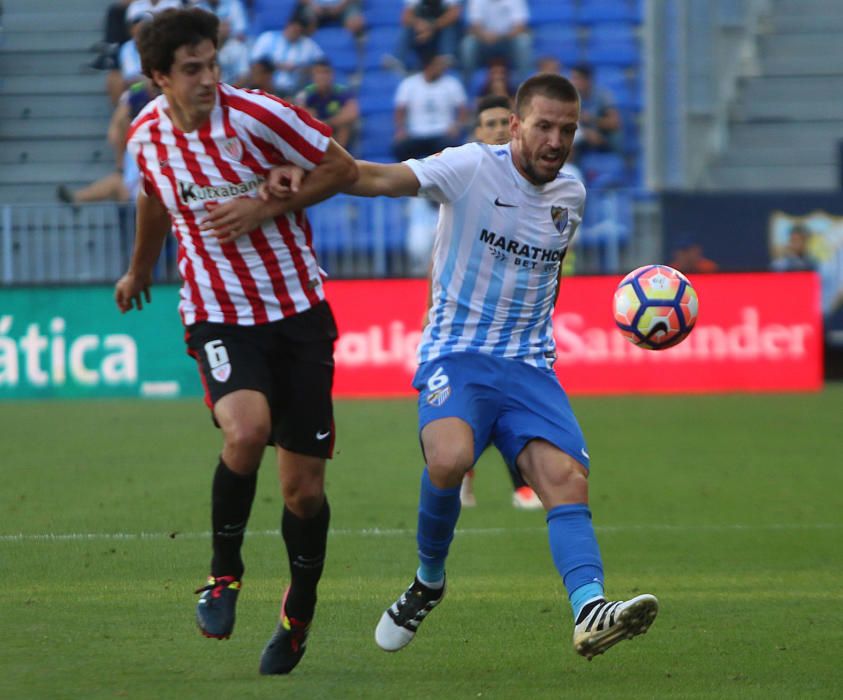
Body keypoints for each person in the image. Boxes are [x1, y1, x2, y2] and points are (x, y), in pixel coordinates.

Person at [263, 73, 659, 660]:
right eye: (545, 126)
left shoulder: (571, 195)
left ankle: (589, 608)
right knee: (449, 459)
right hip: (457, 353)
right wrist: (312, 155)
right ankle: (428, 580)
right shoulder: (471, 166)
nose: (557, 140)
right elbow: (375, 176)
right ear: (516, 124)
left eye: (568, 130)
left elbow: (542, 281)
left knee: (567, 481)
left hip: (528, 365)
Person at [113, 7, 358, 676]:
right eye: (192, 70)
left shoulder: (257, 116)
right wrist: (139, 268)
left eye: (213, 64)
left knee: (303, 492)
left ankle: (297, 614)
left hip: (298, 315)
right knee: (245, 431)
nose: (208, 79)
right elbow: (156, 200)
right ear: (159, 76)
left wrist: (267, 205)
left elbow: (343, 170)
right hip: (218, 315)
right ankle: (224, 576)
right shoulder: (146, 138)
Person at [393, 53, 468, 162]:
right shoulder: (409, 84)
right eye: (438, 65)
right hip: (415, 133)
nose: (442, 68)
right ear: (428, 66)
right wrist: (400, 129)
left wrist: (457, 126)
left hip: (442, 133)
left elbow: (463, 109)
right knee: (399, 148)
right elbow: (400, 109)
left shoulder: (452, 83)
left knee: (451, 147)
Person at [250, 13, 325, 97]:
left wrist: (301, 69)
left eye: (298, 31)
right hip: (268, 88)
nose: (294, 33)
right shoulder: (268, 38)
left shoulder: (309, 45)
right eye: (293, 29)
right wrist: (278, 66)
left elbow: (322, 64)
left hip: (297, 91)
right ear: (287, 25)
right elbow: (255, 63)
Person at [460, 0, 532, 85]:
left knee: (523, 41)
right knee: (468, 43)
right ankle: (466, 83)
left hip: (508, 42)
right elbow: (474, 25)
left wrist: (501, 36)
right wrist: (484, 35)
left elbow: (520, 26)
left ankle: (524, 83)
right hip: (484, 43)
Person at [296, 58, 360, 150]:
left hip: (333, 130)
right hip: (316, 131)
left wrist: (326, 123)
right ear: (313, 76)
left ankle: (340, 156)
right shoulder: (307, 92)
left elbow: (352, 113)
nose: (322, 76)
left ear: (332, 75)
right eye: (318, 73)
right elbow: (298, 111)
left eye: (326, 72)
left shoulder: (341, 91)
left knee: (345, 126)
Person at [568, 63, 622, 157]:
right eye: (572, 78)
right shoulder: (572, 97)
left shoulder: (602, 96)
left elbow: (614, 123)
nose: (573, 82)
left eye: (576, 78)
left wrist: (591, 119)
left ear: (587, 80)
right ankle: (569, 169)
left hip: (604, 140)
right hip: (582, 137)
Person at [398, 0, 462, 71]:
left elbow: (454, 14)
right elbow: (405, 17)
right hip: (421, 34)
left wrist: (432, 26)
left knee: (451, 25)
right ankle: (397, 59)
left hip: (441, 32)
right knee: (409, 27)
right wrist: (418, 24)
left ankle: (446, 58)